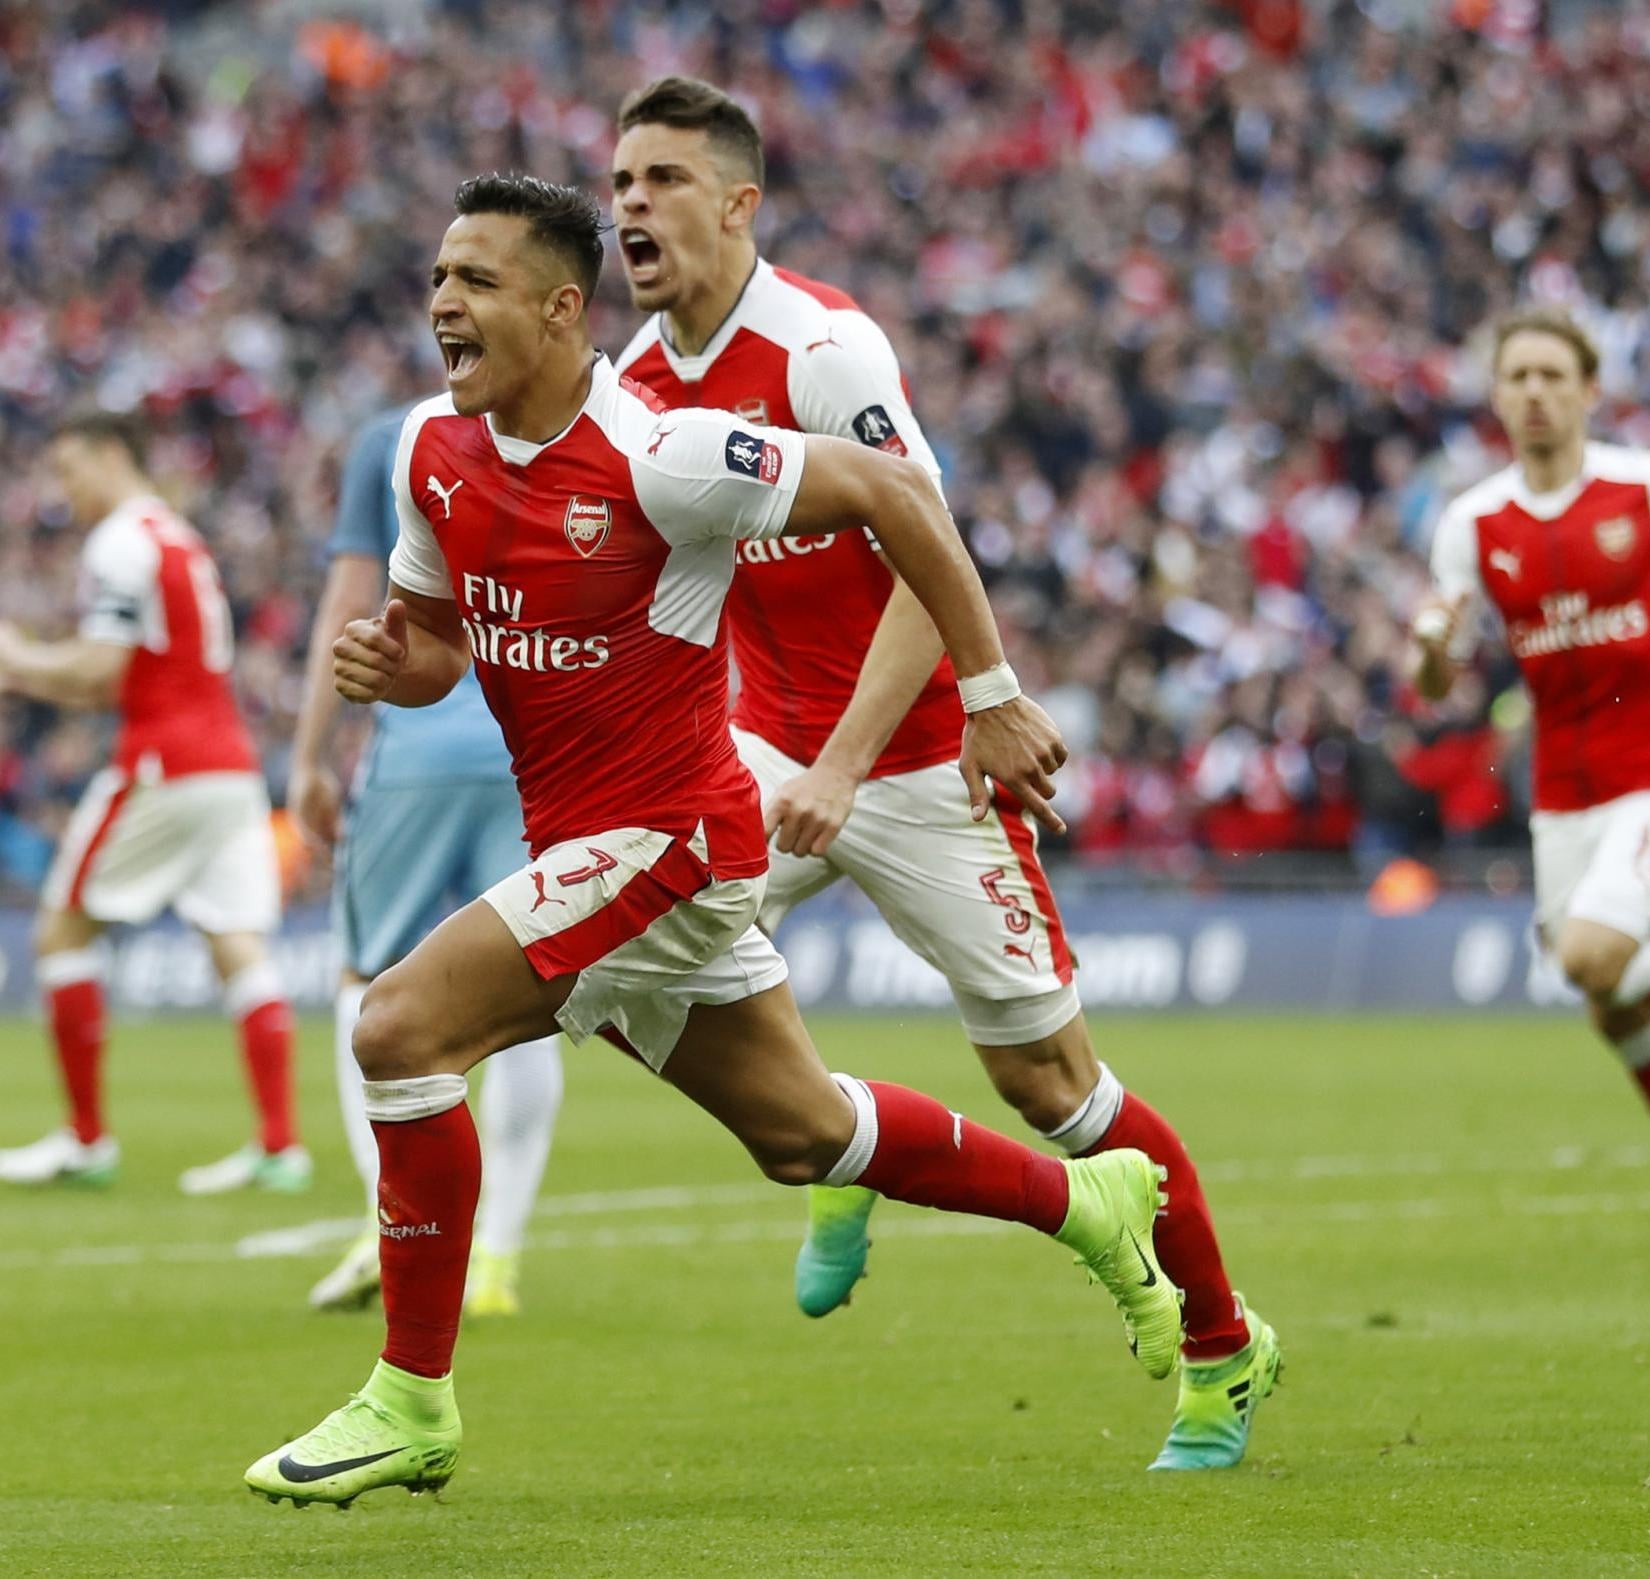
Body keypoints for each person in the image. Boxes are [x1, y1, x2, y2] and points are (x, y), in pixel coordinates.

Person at [243, 173, 1182, 1509]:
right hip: (594, 846)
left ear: (565, 310)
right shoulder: (429, 459)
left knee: (397, 1027)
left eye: (479, 281)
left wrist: (987, 689)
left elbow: (893, 490)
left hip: (675, 838)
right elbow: (442, 642)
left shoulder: (664, 453)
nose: (444, 303)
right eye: (438, 278)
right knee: (804, 1133)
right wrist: (392, 666)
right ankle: (1089, 1205)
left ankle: (410, 1398)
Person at [609, 76, 1276, 1469]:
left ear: (739, 203)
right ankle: (847, 1134)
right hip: (757, 748)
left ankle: (1224, 1343)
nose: (630, 208)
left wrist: (909, 738)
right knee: (606, 967)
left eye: (662, 180)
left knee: (1055, 1088)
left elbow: (921, 542)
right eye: (619, 185)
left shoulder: (825, 350)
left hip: (907, 763)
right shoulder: (635, 388)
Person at [1411, 307, 1650, 1249]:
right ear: (1497, 396)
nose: (1536, 393)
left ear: (1590, 390)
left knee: (1590, 955)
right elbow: (1439, 677)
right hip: (1565, 785)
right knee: (1611, 1004)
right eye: (1519, 378)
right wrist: (1428, 649)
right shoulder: (1472, 523)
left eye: (1554, 375)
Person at [0, 414, 306, 1195]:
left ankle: (85, 1139)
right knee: (237, 942)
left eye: (71, 469)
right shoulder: (178, 535)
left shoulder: (119, 539)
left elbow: (101, 672)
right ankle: (280, 1145)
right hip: (231, 766)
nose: (62, 490)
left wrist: (12, 663)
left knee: (62, 926)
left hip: (163, 762)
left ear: (114, 458)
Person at [290, 401, 565, 1317]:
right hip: (533, 745)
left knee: (361, 977)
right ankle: (500, 1257)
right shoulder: (576, 423)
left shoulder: (392, 438)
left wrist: (309, 753)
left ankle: (389, 1222)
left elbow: (353, 600)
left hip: (417, 746)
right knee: (535, 990)